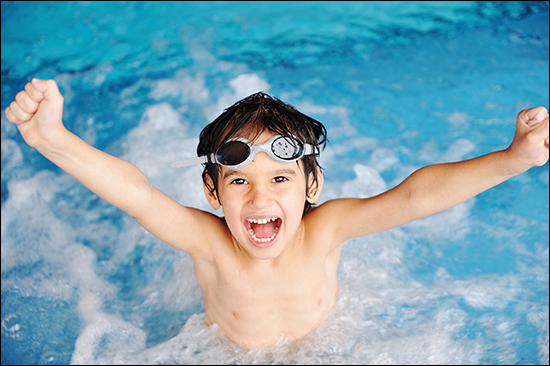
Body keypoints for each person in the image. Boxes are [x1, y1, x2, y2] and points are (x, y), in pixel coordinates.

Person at [5, 78, 549, 347]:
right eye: (239, 181)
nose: (260, 199)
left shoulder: (326, 229)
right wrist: (53, 139)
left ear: (311, 185)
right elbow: (140, 195)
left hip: (322, 347)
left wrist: (511, 160)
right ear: (214, 194)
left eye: (281, 180)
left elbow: (410, 198)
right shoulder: (209, 242)